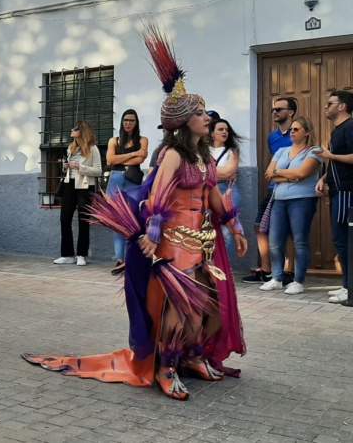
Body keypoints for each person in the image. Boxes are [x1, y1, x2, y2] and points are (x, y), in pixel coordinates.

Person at [24, 23, 247, 401]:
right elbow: (155, 199)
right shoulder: (172, 154)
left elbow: (212, 196)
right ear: (184, 121)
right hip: (174, 244)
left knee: (209, 307)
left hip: (204, 245)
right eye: (200, 112)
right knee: (179, 311)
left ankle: (193, 356)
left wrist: (234, 226)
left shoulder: (205, 155)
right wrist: (149, 236)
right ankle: (165, 367)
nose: (208, 117)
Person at [258, 117, 322, 295]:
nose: (292, 132)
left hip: (302, 200)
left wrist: (279, 172)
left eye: (296, 129)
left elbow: (302, 173)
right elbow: (269, 174)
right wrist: (289, 176)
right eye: (292, 129)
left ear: (307, 132)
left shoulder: (314, 151)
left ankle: (298, 281)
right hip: (279, 199)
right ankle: (276, 278)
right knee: (274, 241)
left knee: (300, 241)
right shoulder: (281, 150)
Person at [243, 97, 298, 284]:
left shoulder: (298, 133)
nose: (274, 112)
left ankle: (290, 272)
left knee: (290, 230)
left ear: (290, 112)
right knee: (259, 226)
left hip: (293, 187)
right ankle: (266, 271)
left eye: (279, 109)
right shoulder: (272, 137)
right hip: (273, 187)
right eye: (273, 109)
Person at [315, 90, 353, 304]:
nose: (325, 107)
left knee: (346, 241)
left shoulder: (350, 127)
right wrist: (324, 178)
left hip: (348, 192)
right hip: (338, 191)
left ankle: (351, 288)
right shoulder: (337, 130)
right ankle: (347, 285)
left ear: (342, 106)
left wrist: (330, 156)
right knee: (340, 240)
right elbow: (336, 162)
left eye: (330, 103)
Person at [105, 109, 149, 275]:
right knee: (117, 221)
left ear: (136, 122)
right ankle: (120, 260)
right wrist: (133, 154)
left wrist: (127, 156)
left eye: (131, 120)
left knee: (132, 220)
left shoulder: (143, 140)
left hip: (132, 179)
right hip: (115, 178)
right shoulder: (114, 141)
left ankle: (131, 259)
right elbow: (110, 160)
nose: (128, 123)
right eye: (125, 120)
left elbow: (140, 159)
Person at [52, 121, 101, 266]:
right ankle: (67, 254)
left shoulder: (93, 149)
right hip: (69, 185)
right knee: (64, 219)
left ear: (82, 131)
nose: (71, 130)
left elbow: (98, 170)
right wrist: (65, 167)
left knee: (83, 220)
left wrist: (80, 167)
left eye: (75, 128)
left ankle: (81, 254)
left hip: (85, 187)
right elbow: (67, 170)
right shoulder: (71, 148)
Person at [210, 118, 242, 254]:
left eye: (227, 130)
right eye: (220, 129)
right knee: (208, 230)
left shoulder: (232, 150)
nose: (225, 132)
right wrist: (219, 172)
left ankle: (223, 270)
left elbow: (229, 172)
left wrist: (206, 171)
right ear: (211, 133)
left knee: (226, 232)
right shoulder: (203, 150)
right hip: (208, 191)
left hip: (226, 190)